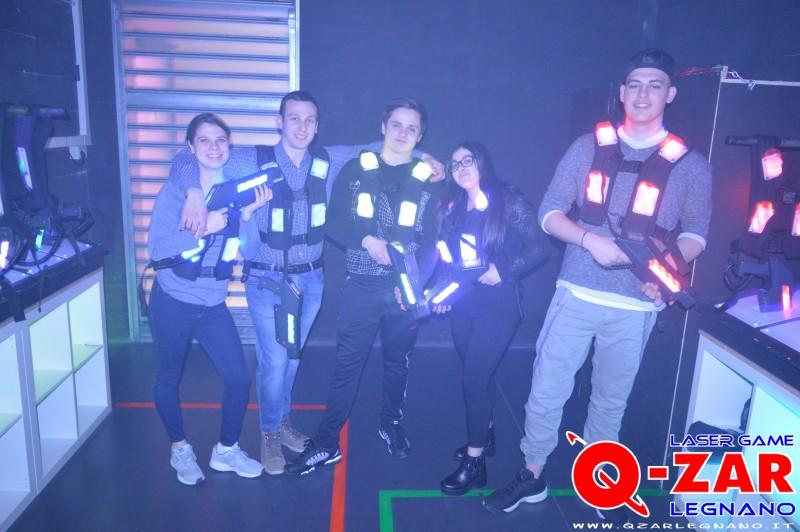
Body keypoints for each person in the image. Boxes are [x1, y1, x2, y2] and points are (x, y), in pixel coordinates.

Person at [482, 49, 712, 522]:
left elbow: (696, 234)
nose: (643, 93)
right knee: (547, 388)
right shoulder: (588, 146)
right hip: (576, 293)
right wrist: (589, 240)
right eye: (635, 84)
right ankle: (532, 473)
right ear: (622, 92)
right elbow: (549, 213)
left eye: (654, 84)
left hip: (636, 304)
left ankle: (597, 479)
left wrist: (665, 270)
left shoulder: (690, 164)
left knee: (611, 400)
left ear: (670, 93)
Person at [168, 91, 443, 475]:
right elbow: (186, 157)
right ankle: (269, 434)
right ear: (279, 122)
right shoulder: (251, 158)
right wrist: (195, 194)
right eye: (294, 118)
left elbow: (386, 147)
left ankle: (282, 423)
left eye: (309, 119)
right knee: (274, 362)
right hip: (266, 278)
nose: (302, 126)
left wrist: (425, 157)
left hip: (310, 279)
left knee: (292, 360)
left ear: (317, 126)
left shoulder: (329, 160)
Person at [286, 97, 443, 474]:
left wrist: (414, 286)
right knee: (346, 367)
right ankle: (327, 443)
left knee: (397, 365)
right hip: (361, 287)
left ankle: (391, 423)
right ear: (383, 127)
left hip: (404, 292)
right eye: (396, 125)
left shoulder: (430, 179)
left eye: (411, 128)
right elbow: (332, 222)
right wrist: (366, 240)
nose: (402, 133)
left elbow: (434, 240)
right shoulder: (355, 169)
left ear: (420, 136)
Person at [147, 113, 269, 485]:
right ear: (191, 147)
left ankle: (225, 450)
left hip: (213, 305)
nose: (214, 147)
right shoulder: (176, 193)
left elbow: (251, 250)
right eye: (204, 140)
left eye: (220, 140)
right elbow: (157, 251)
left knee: (238, 379)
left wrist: (248, 216)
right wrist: (202, 230)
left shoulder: (235, 190)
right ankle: (179, 448)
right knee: (169, 377)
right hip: (173, 301)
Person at [431, 142, 549, 496]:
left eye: (468, 160)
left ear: (482, 162)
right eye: (455, 163)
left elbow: (539, 247)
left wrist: (504, 270)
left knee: (473, 381)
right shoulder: (453, 206)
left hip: (499, 306)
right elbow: (448, 258)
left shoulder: (506, 200)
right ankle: (487, 434)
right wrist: (442, 294)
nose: (461, 167)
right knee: (480, 376)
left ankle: (475, 463)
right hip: (464, 304)